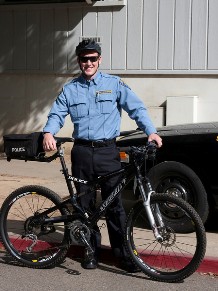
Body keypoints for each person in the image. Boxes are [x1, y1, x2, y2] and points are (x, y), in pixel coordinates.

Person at [42, 39, 162, 272]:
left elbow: (136, 109)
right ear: (78, 61)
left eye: (92, 59)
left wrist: (151, 132)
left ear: (100, 59)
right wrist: (49, 132)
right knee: (85, 206)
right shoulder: (70, 89)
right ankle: (90, 251)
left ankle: (123, 255)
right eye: (84, 59)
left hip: (108, 151)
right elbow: (57, 114)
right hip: (82, 152)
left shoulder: (114, 84)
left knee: (114, 205)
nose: (88, 63)